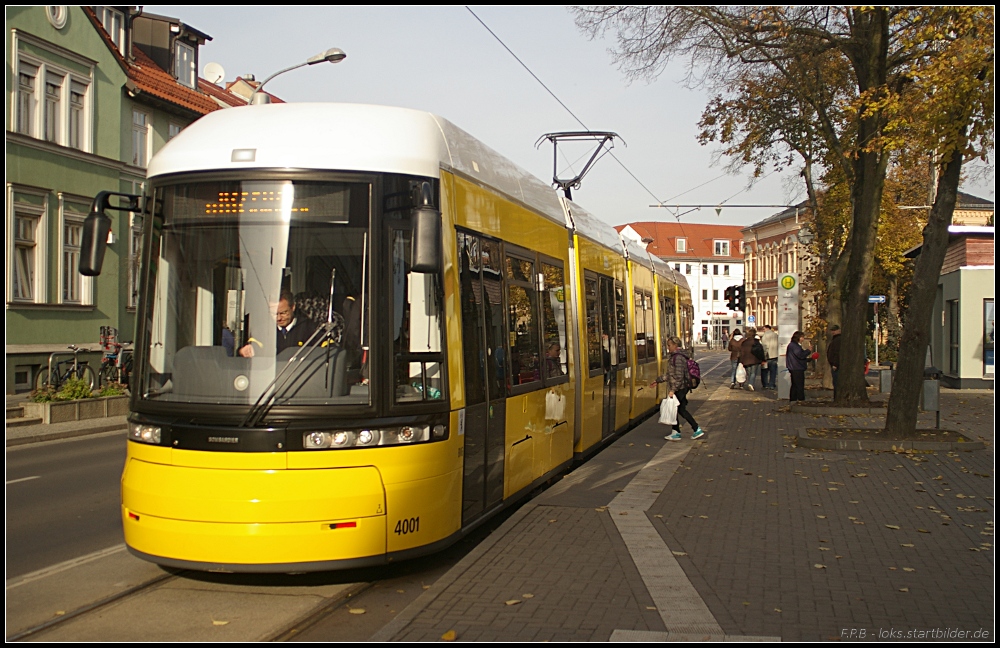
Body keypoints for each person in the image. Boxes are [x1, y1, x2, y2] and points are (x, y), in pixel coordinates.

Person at [650, 336, 705, 441]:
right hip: (680, 387)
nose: (668, 347)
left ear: (675, 345)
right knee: (678, 409)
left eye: (669, 345)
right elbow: (671, 375)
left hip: (680, 388)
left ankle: (695, 429)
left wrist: (672, 390)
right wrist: (658, 380)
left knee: (680, 410)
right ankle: (677, 432)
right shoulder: (676, 356)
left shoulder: (678, 358)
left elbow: (678, 377)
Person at [239, 291, 317, 358]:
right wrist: (245, 350)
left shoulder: (310, 329)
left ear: (293, 307)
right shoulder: (264, 330)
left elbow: (324, 350)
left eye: (283, 313)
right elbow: (253, 345)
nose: (278, 318)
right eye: (274, 314)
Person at [786, 330, 814, 402]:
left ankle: (793, 399)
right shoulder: (794, 346)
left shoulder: (793, 345)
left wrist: (809, 359)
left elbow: (799, 357)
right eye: (802, 337)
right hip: (797, 368)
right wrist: (808, 350)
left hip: (795, 367)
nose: (803, 339)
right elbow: (800, 355)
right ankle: (801, 399)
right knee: (799, 385)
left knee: (795, 385)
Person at [760, 324, 779, 390]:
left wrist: (763, 356)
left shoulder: (765, 336)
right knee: (773, 371)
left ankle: (765, 384)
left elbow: (765, 347)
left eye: (764, 329)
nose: (763, 330)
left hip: (767, 356)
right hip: (775, 355)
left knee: (765, 371)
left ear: (767, 328)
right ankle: (772, 384)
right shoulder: (776, 335)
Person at [826, 324, 842, 398]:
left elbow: (837, 352)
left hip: (836, 365)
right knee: (835, 382)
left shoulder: (838, 340)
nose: (833, 332)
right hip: (834, 364)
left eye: (834, 330)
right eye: (832, 330)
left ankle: (837, 397)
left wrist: (835, 364)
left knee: (837, 382)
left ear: (839, 330)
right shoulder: (835, 339)